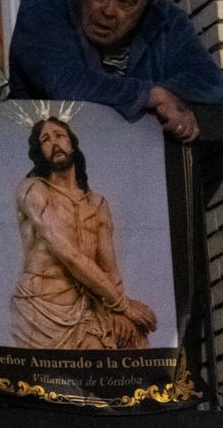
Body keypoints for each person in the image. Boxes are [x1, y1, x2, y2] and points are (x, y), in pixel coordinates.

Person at [8, 0, 223, 142]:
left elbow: (211, 85)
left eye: (125, 2)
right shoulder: (45, 4)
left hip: (141, 163)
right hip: (41, 158)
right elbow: (65, 83)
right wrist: (150, 96)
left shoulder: (165, 18)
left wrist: (165, 99)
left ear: (145, 3)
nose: (108, 11)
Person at [12, 116, 157, 350]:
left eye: (59, 136)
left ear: (72, 143)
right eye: (45, 140)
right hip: (43, 307)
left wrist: (118, 312)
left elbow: (109, 266)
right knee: (95, 355)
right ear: (40, 151)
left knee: (135, 338)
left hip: (87, 303)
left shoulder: (97, 204)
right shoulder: (33, 190)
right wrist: (121, 305)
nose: (54, 143)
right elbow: (69, 255)